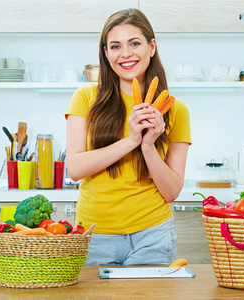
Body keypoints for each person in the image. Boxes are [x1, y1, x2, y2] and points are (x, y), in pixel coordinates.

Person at [65, 8, 191, 265]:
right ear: (106, 53)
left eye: (134, 43)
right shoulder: (86, 98)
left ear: (151, 46)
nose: (125, 53)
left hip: (153, 236)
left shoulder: (175, 109)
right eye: (115, 46)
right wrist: (131, 140)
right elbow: (75, 169)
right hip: (94, 235)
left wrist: (148, 145)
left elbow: (172, 191)